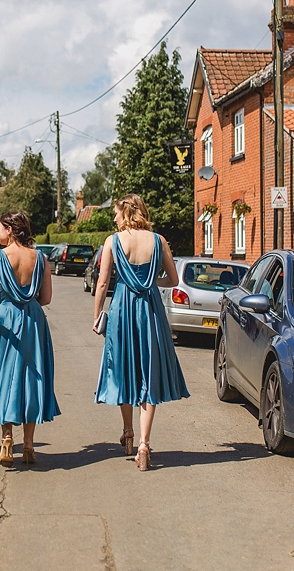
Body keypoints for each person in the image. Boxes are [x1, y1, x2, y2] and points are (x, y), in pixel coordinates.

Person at [92, 194, 188, 471]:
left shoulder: (113, 241)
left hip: (122, 308)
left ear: (126, 212)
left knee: (123, 368)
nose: (113, 218)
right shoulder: (159, 241)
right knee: (149, 371)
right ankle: (144, 444)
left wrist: (97, 314)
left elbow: (102, 283)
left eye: (116, 213)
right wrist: (150, 281)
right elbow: (173, 279)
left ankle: (128, 430)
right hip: (150, 310)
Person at [0, 211, 59, 466]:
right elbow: (46, 298)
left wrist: (8, 301)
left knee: (4, 377)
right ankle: (28, 444)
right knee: (31, 378)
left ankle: (7, 437)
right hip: (34, 321)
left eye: (0, 228)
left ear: (12, 230)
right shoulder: (41, 259)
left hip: (5, 319)